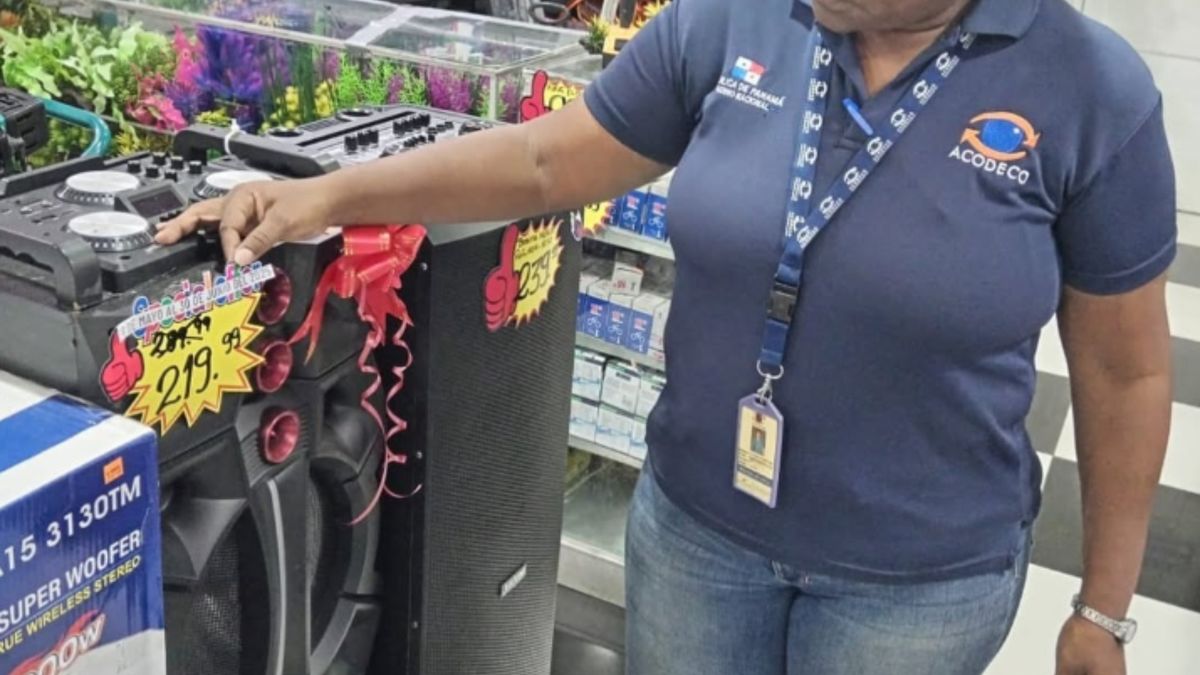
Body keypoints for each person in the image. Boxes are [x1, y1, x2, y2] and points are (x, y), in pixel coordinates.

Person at [158, 0, 1177, 672]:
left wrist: (1104, 609)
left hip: (918, 583)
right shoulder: (737, 19)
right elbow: (546, 165)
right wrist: (318, 195)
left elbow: (1125, 371)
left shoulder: (1089, 88)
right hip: (699, 536)